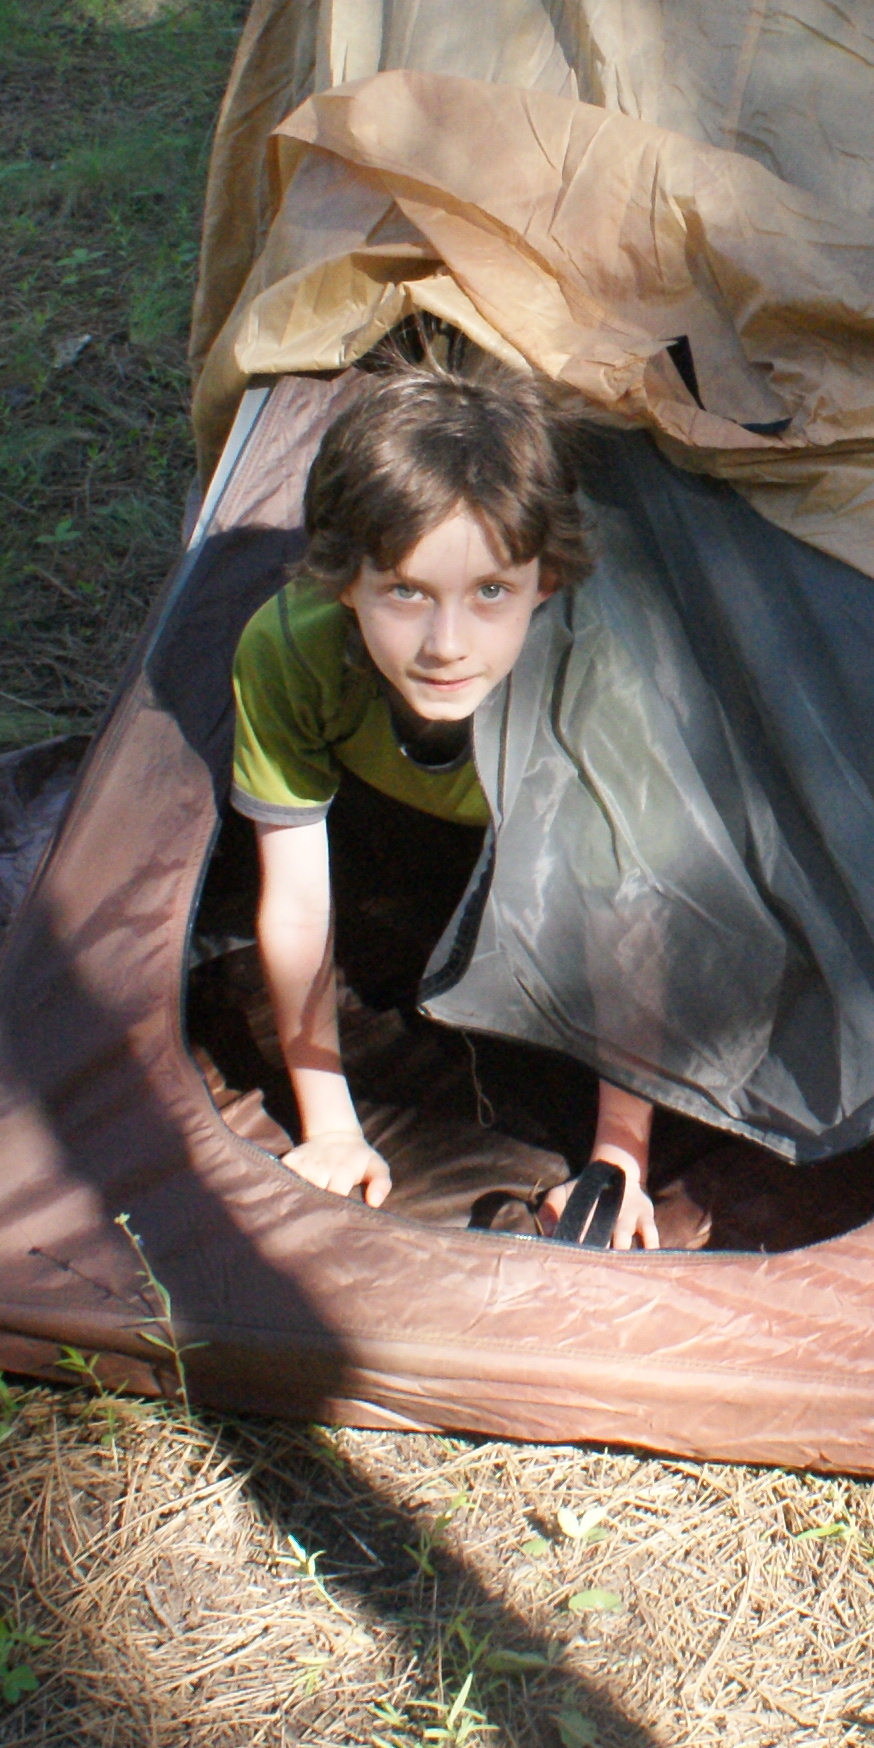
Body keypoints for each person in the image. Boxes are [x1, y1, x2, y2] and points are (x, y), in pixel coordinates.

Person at [228, 340, 679, 1245]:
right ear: (345, 581)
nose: (447, 642)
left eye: (488, 593)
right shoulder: (292, 648)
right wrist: (331, 1129)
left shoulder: (601, 684)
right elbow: (297, 901)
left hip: (550, 865)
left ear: (542, 583)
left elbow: (633, 919)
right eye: (405, 590)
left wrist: (618, 1161)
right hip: (392, 841)